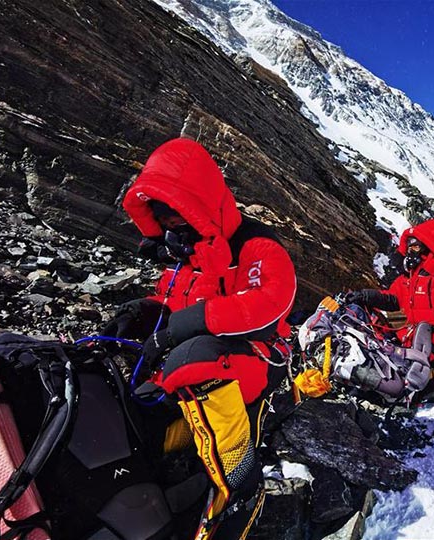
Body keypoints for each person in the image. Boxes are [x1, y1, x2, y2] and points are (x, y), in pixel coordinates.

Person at [102, 137, 297, 539]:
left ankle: (241, 484)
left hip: (260, 358)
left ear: (198, 204)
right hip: (195, 360)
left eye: (177, 216)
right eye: (163, 220)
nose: (172, 229)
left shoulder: (255, 245)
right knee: (120, 375)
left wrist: (185, 325)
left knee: (193, 358)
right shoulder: (187, 254)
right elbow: (172, 301)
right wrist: (144, 310)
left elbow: (268, 305)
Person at [347, 219, 434, 385]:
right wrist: (365, 296)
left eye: (416, 247)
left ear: (430, 248)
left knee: (404, 380)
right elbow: (393, 299)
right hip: (408, 341)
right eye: (409, 248)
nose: (410, 252)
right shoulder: (408, 277)